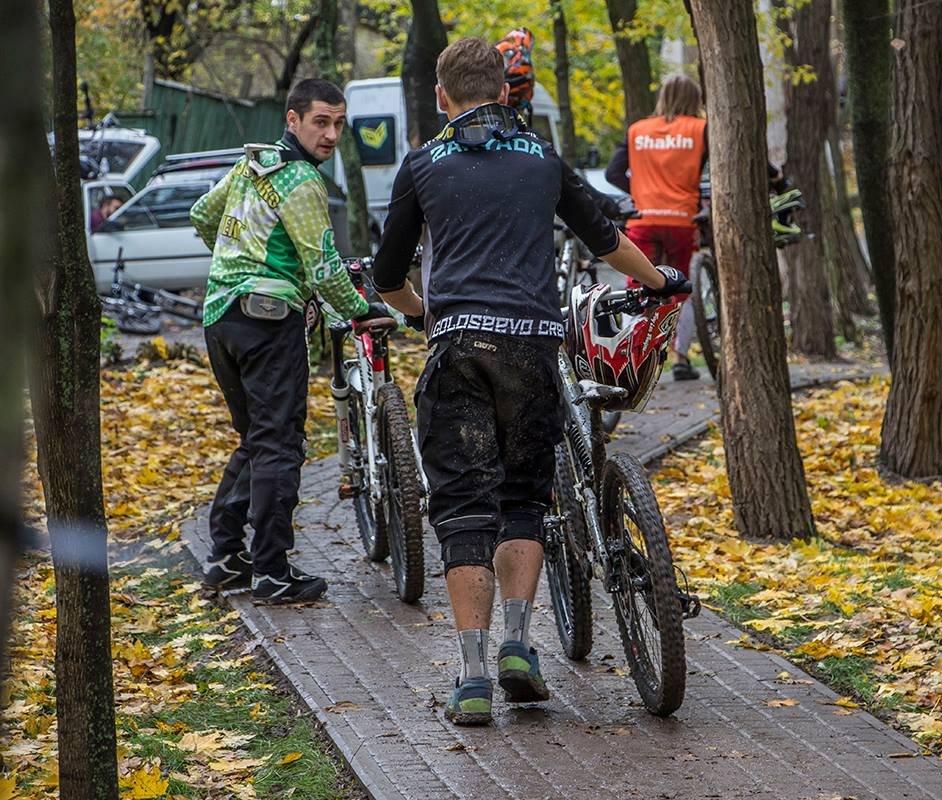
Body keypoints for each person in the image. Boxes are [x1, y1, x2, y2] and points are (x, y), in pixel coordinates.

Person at [371, 37, 687, 726]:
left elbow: (387, 277)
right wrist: (661, 280)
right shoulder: (542, 159)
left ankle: (473, 677)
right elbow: (605, 237)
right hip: (534, 347)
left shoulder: (423, 164)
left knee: (462, 509)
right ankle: (519, 643)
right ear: (509, 91)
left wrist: (427, 315)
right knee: (522, 499)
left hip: (460, 349)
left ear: (440, 96)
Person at [190, 78, 394, 605]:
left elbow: (202, 217)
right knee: (280, 445)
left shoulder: (251, 166)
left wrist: (238, 266)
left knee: (257, 440)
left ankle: (225, 557)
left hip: (220, 318)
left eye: (338, 124)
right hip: (268, 322)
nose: (330, 135)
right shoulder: (302, 180)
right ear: (293, 119)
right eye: (320, 122)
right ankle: (272, 572)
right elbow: (324, 268)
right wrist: (360, 309)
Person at [604, 74, 706, 380]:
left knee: (637, 287)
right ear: (695, 99)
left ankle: (625, 361)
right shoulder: (700, 129)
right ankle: (681, 360)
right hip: (680, 221)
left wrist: (639, 191)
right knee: (681, 289)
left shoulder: (638, 130)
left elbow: (612, 173)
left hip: (644, 218)